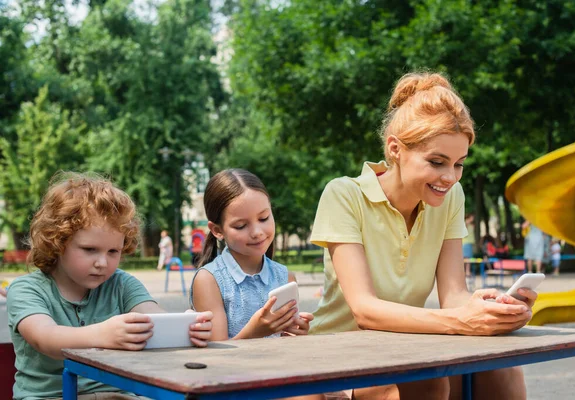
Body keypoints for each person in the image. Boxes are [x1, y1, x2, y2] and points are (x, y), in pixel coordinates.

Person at [308, 72, 536, 400]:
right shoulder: (344, 195)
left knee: (500, 368)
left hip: (406, 347)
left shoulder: (449, 199)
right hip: (339, 355)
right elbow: (365, 310)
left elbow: (454, 295)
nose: (449, 177)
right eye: (436, 162)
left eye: (459, 164)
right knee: (428, 383)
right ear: (395, 149)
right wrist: (462, 320)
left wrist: (487, 307)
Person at [6, 172, 213, 400]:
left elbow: (152, 318)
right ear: (57, 242)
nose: (103, 263)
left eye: (113, 251)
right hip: (50, 396)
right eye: (89, 249)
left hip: (117, 394)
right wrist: (103, 334)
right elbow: (46, 339)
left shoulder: (121, 283)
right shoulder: (27, 289)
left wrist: (184, 328)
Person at [189, 169, 321, 400]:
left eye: (264, 218)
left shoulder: (284, 276)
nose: (258, 232)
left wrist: (297, 333)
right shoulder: (209, 280)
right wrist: (255, 332)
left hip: (277, 378)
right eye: (241, 226)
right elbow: (215, 361)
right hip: (231, 387)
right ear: (217, 230)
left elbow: (288, 352)